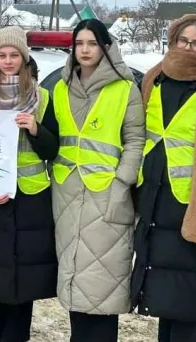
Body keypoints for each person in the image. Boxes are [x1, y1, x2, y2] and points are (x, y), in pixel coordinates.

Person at [131, 14, 196, 342]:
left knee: (190, 306)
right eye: (182, 41)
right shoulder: (152, 79)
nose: (188, 48)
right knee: (165, 302)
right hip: (155, 207)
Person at [50, 19, 145, 342]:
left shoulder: (124, 88)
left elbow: (135, 139)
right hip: (66, 193)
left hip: (106, 195)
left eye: (92, 43)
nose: (85, 50)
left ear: (106, 47)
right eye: (79, 44)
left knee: (103, 288)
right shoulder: (61, 87)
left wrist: (122, 183)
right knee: (75, 284)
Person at [0, 26, 59, 342]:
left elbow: (52, 149)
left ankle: (16, 335)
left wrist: (35, 128)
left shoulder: (42, 97)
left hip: (30, 199)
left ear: (24, 58)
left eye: (14, 54)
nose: (7, 61)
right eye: (1, 55)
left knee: (26, 277)